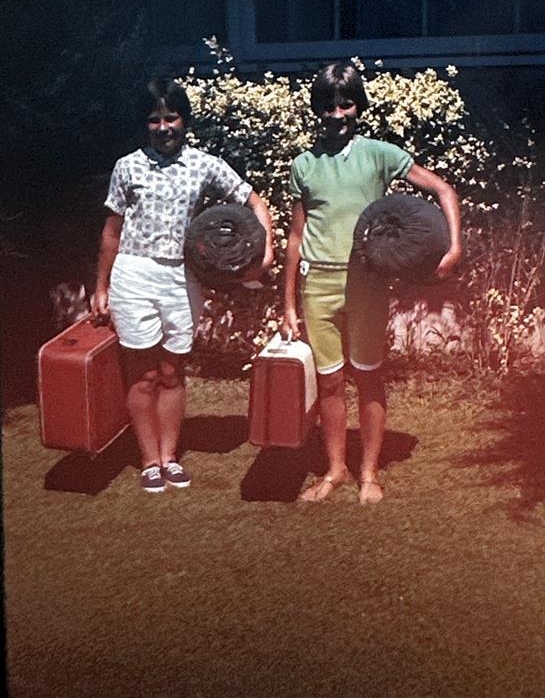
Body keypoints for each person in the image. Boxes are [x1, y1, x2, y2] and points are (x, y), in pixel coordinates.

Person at [282, 61, 461, 504]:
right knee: (327, 382)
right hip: (317, 287)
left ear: (357, 106)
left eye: (346, 105)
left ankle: (369, 474)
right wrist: (287, 302)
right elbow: (295, 237)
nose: (338, 115)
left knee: (367, 377)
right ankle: (335, 470)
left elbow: (444, 191)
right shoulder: (303, 165)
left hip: (367, 284)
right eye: (329, 106)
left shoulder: (379, 154)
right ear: (317, 110)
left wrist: (453, 248)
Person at [94, 77, 273, 493]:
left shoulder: (204, 164)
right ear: (146, 124)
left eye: (171, 117)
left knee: (173, 372)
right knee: (143, 376)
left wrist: (262, 254)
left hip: (182, 276)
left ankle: (170, 458)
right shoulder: (128, 166)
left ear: (184, 121)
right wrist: (101, 285)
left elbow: (254, 202)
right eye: (154, 120)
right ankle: (148, 460)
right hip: (134, 274)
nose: (163, 127)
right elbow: (111, 232)